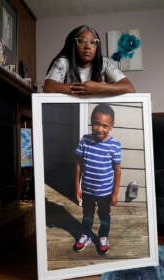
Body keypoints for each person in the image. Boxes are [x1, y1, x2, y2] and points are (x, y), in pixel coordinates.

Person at [73, 104, 121, 254]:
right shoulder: (85, 140)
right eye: (96, 123)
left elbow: (117, 171)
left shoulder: (114, 145)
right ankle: (86, 235)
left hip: (105, 192)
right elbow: (79, 165)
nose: (99, 129)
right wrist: (77, 186)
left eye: (105, 126)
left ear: (111, 126)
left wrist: (115, 193)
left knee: (104, 216)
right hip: (87, 190)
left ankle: (103, 236)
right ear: (91, 122)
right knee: (87, 215)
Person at [44, 25, 136, 95]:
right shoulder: (64, 62)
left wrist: (99, 88)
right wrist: (85, 89)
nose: (88, 47)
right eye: (82, 41)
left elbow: (130, 88)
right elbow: (49, 88)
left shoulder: (104, 63)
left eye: (93, 42)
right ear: (73, 44)